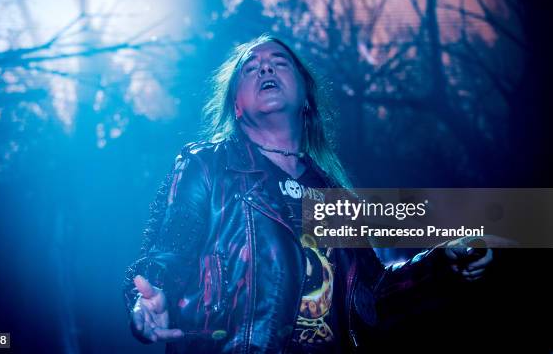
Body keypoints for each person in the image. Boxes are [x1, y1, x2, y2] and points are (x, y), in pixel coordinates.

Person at [123, 34, 493, 353]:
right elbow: (168, 251)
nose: (265, 69)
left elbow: (371, 296)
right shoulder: (208, 166)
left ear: (306, 98)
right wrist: (149, 298)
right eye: (250, 68)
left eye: (278, 63)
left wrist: (443, 261)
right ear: (236, 105)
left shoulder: (333, 199)